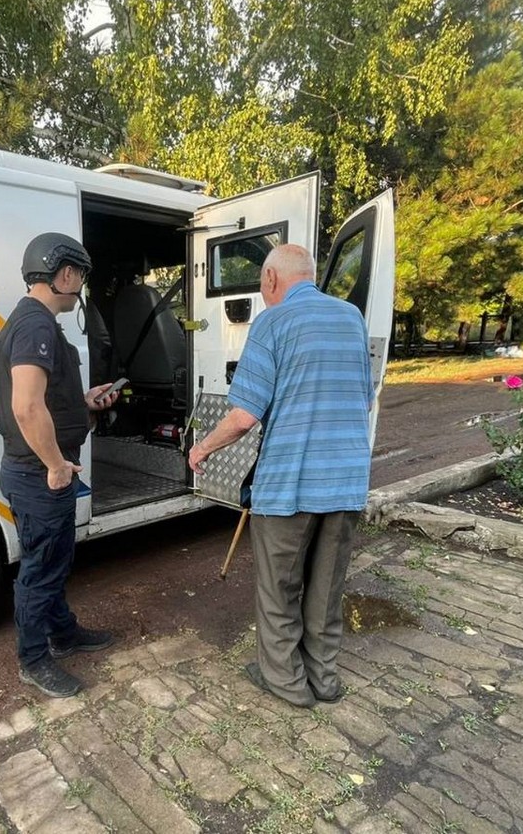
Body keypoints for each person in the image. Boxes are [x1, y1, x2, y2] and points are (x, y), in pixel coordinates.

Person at [188, 244, 373, 708]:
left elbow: (245, 415)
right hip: (346, 480)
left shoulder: (271, 322)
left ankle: (287, 683)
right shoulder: (351, 317)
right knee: (326, 588)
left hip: (290, 483)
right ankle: (324, 681)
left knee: (279, 589)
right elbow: (364, 399)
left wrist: (202, 447)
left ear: (270, 279)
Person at [0, 232, 121, 698]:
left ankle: (64, 635)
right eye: (79, 275)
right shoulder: (37, 325)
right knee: (40, 569)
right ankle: (33, 659)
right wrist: (57, 465)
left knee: (54, 560)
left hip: (31, 473)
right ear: (65, 274)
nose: (80, 285)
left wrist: (83, 401)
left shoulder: (32, 322)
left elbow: (42, 399)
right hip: (38, 476)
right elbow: (25, 407)